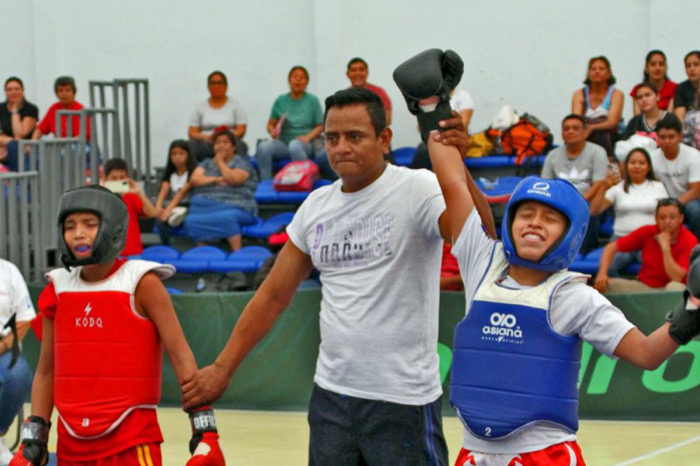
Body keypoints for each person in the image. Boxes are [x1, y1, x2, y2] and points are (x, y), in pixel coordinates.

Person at [392, 47, 700, 465]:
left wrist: (695, 308)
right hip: (473, 456)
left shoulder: (575, 296)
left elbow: (646, 354)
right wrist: (433, 107)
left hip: (543, 456)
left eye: (549, 219)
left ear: (570, 234)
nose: (534, 223)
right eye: (526, 214)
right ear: (509, 224)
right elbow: (450, 178)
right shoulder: (482, 262)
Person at [182, 86, 495, 465]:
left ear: (385, 139)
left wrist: (457, 166)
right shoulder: (317, 205)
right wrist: (222, 368)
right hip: (331, 399)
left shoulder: (417, 188)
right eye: (332, 138)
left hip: (402, 401)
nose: (341, 147)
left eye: (354, 136)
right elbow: (272, 296)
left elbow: (479, 234)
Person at [10, 185, 225, 465]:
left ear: (113, 228)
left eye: (89, 224)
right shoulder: (58, 288)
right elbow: (46, 370)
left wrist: (204, 428)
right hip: (71, 444)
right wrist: (34, 437)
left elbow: (180, 353)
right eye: (70, 226)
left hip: (131, 441)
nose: (78, 234)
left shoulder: (142, 283)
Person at [590, 148, 668, 276]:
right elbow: (594, 211)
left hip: (649, 240)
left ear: (648, 167)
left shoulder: (658, 187)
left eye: (641, 163)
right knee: (608, 268)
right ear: (626, 166)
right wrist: (604, 187)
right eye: (632, 163)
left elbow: (666, 214)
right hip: (622, 240)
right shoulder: (617, 188)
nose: (637, 166)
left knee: (658, 269)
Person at [595, 198, 697, 293]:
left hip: (671, 290)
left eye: (672, 217)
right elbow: (611, 247)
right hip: (645, 287)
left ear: (681, 218)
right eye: (662, 217)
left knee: (675, 287)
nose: (667, 222)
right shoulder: (648, 231)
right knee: (605, 285)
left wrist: (665, 248)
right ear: (656, 219)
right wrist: (602, 274)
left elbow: (677, 277)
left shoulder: (689, 240)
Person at [540, 114, 608, 254]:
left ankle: (583, 255)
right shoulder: (553, 155)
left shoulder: (597, 152)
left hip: (588, 201)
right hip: (560, 202)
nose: (570, 131)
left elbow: (599, 184)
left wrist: (576, 203)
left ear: (585, 132)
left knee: (586, 213)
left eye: (575, 128)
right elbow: (546, 184)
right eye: (566, 129)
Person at [184, 127, 258, 251]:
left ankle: (237, 256)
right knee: (190, 220)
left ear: (233, 147)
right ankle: (206, 254)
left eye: (225, 142)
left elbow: (235, 179)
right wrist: (215, 179)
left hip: (236, 205)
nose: (221, 146)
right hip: (204, 208)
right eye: (218, 143)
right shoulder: (206, 163)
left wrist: (220, 163)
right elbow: (195, 179)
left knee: (227, 217)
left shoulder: (242, 163)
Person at [255, 66, 324, 180]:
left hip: (304, 143)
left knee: (294, 146)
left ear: (306, 82)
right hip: (283, 143)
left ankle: (304, 180)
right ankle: (265, 183)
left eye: (302, 78)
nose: (298, 80)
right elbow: (270, 124)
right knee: (263, 147)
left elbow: (320, 126)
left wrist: (307, 137)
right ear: (289, 80)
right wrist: (272, 131)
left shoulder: (313, 101)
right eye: (295, 77)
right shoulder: (281, 100)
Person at [0, 259, 35, 463]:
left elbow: (25, 318)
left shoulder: (8, 271)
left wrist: (3, 346)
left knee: (17, 376)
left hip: (4, 347)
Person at [650, 113, 700, 239]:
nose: (667, 141)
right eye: (663, 137)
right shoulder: (651, 158)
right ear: (657, 138)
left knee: (695, 211)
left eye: (671, 137)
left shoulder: (693, 156)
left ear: (680, 137)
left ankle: (696, 247)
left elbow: (695, 191)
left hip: (687, 201)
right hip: (660, 201)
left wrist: (673, 204)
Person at [572, 56, 624, 160]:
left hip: (608, 133)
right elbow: (576, 120)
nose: (597, 72)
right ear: (588, 73)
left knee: (603, 134)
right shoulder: (579, 93)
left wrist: (593, 127)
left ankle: (608, 163)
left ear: (608, 73)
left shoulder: (616, 94)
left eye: (601, 69)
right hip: (585, 131)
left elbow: (613, 121)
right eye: (593, 69)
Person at [188, 71, 248, 161]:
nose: (216, 86)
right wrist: (206, 137)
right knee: (189, 145)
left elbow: (241, 130)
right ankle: (193, 174)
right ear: (208, 87)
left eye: (219, 83)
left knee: (240, 145)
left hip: (229, 143)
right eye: (213, 83)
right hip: (207, 143)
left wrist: (223, 137)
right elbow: (192, 132)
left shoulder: (236, 105)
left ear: (226, 86)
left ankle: (237, 173)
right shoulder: (200, 107)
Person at [102, 158, 157, 256]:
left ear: (127, 178)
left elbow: (152, 213)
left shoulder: (132, 195)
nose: (118, 181)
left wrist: (139, 193)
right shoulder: (101, 197)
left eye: (122, 177)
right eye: (114, 178)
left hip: (133, 252)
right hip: (109, 255)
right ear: (106, 179)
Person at [411, 87, 475, 170]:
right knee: (423, 150)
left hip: (456, 137)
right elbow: (421, 129)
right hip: (435, 138)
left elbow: (463, 124)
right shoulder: (430, 99)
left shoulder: (462, 96)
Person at [154, 139, 197, 245]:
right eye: (174, 154)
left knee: (171, 215)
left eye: (181, 153)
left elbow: (181, 193)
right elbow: (163, 192)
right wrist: (158, 209)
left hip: (188, 205)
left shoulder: (194, 172)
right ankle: (166, 246)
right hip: (174, 207)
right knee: (160, 220)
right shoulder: (170, 174)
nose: (177, 157)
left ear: (188, 155)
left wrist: (167, 211)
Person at [30, 76, 90, 141]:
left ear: (74, 93)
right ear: (56, 94)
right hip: (60, 146)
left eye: (68, 90)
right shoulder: (54, 109)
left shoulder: (80, 110)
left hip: (80, 145)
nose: (64, 94)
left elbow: (82, 136)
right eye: (60, 91)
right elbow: (40, 129)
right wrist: (32, 143)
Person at [0, 77, 39, 171]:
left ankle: (21, 182)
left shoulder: (31, 108)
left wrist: (15, 111)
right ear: (5, 92)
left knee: (14, 146)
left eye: (17, 89)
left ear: (23, 90)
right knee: (12, 145)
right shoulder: (1, 108)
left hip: (27, 147)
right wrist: (8, 141)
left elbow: (20, 133)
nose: (13, 92)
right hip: (5, 145)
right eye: (9, 89)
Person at [346, 57, 393, 125]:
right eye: (353, 70)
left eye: (361, 69)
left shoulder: (379, 93)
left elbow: (387, 119)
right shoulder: (343, 96)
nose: (358, 73)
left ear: (367, 72)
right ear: (348, 74)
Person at [630, 50, 677, 115]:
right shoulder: (638, 89)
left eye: (661, 64)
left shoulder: (675, 88)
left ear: (666, 67)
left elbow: (671, 116)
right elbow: (637, 117)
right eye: (653, 64)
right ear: (646, 68)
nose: (657, 68)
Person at [673, 51, 700, 122]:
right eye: (688, 66)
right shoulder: (681, 88)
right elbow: (680, 119)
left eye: (696, 65)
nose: (692, 69)